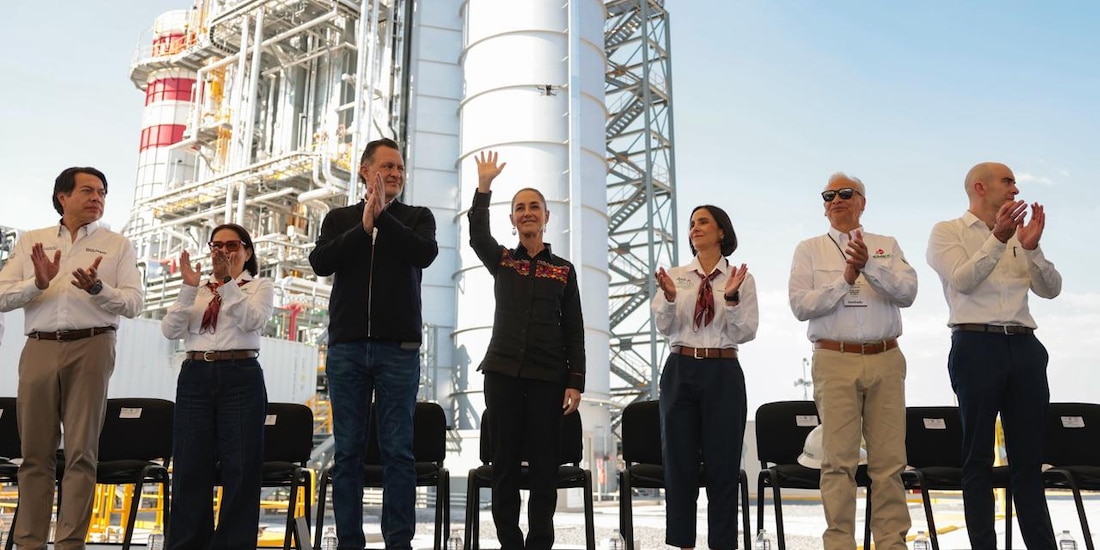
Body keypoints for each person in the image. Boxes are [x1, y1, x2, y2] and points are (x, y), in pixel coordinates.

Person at [0, 167, 144, 549]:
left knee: (82, 452)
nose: (97, 198)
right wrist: (38, 283)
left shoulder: (118, 245)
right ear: (62, 197)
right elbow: (1, 296)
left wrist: (99, 289)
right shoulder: (34, 240)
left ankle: (69, 545)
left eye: (102, 192)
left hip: (93, 345)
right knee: (34, 455)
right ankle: (29, 543)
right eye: (87, 190)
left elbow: (134, 303)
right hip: (40, 346)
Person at [309, 137, 438, 550]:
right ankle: (350, 541)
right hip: (346, 348)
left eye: (400, 167)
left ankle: (398, 541)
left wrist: (383, 219)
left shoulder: (418, 217)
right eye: (387, 166)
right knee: (347, 452)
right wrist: (363, 228)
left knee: (398, 450)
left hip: (398, 349)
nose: (396, 173)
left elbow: (425, 253)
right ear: (365, 171)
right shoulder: (338, 218)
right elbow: (320, 263)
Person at [926, 161, 1061, 550]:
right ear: (980, 188)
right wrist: (998, 238)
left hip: (1025, 346)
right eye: (1008, 181)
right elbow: (963, 280)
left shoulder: (1021, 235)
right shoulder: (947, 232)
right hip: (975, 345)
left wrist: (1031, 249)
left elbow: (1051, 290)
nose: (1015, 188)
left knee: (1029, 461)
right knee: (978, 459)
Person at [788, 172, 916, 550]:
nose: (836, 200)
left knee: (889, 463)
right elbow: (800, 305)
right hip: (834, 357)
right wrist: (845, 278)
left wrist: (869, 267)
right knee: (838, 463)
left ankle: (892, 543)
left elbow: (908, 292)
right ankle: (839, 545)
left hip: (886, 357)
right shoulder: (809, 249)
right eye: (828, 195)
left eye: (846, 193)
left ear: (862, 202)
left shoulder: (885, 244)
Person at [468, 151, 585, 550]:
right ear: (513, 219)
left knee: (543, 467)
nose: (527, 212)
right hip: (501, 374)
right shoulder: (502, 260)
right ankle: (510, 543)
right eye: (520, 208)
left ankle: (539, 542)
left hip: (547, 379)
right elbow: (477, 237)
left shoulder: (564, 270)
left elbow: (574, 329)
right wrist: (484, 188)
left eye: (534, 206)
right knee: (503, 465)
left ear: (547, 217)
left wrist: (575, 381)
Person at [161, 223, 273, 549]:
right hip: (196, 373)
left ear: (247, 251)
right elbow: (170, 330)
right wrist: (186, 286)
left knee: (241, 467)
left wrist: (226, 282)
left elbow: (252, 321)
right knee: (190, 465)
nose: (223, 251)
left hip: (240, 373)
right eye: (217, 245)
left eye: (232, 245)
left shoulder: (259, 286)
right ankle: (187, 543)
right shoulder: (197, 288)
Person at [653, 203, 757, 550]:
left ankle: (723, 546)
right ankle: (682, 544)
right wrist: (669, 298)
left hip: (723, 371)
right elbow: (664, 326)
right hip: (681, 368)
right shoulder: (678, 276)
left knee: (722, 468)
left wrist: (731, 299)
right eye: (692, 223)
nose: (695, 228)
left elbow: (745, 331)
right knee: (679, 465)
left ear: (721, 232)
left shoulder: (740, 277)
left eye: (703, 222)